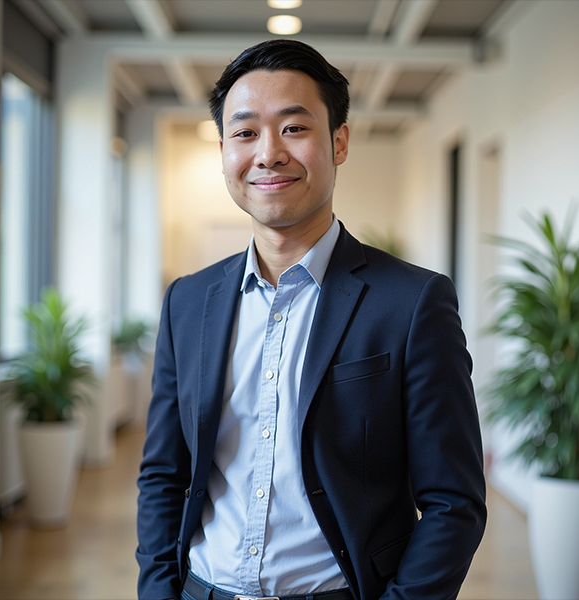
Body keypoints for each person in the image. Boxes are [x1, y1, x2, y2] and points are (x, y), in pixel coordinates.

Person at [136, 39, 486, 600]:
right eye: (245, 132)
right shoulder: (187, 301)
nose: (268, 153)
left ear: (338, 141)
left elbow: (454, 501)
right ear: (224, 148)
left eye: (293, 128)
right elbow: (163, 474)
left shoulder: (413, 302)